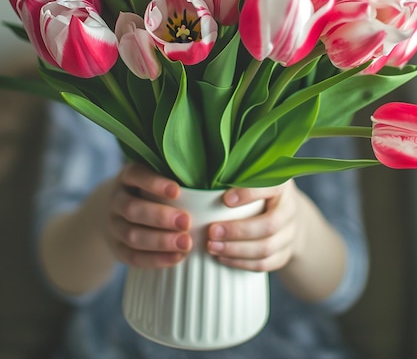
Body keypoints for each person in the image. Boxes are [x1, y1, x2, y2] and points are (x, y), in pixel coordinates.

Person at [33, 100, 369, 359]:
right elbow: (61, 273)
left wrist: (299, 233)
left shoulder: (316, 80)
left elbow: (344, 284)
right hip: (117, 345)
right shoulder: (91, 54)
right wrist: (102, 217)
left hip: (286, 348)